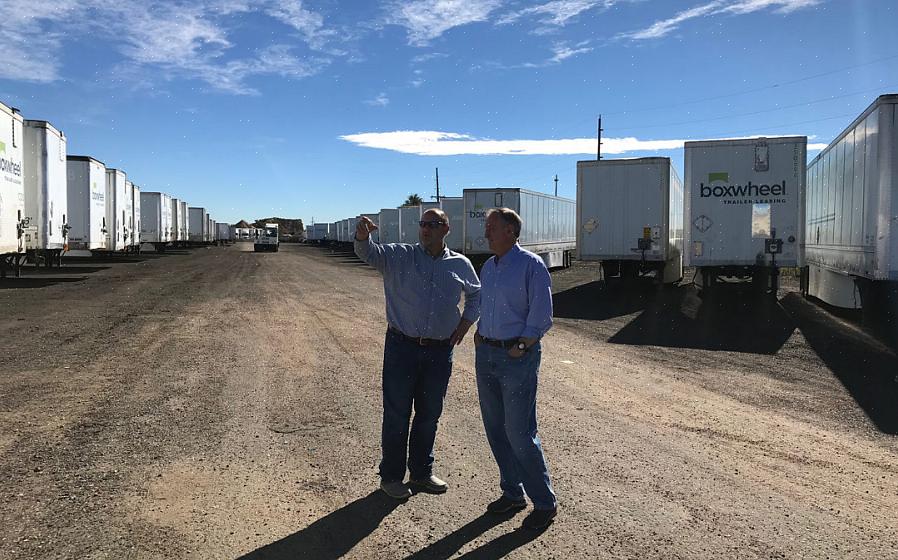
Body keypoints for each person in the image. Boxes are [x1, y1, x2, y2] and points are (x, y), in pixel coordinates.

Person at [354, 209, 481, 500]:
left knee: (429, 414)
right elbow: (368, 252)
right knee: (397, 414)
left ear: (446, 228)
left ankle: (422, 473)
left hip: (439, 352)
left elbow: (477, 294)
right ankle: (391, 477)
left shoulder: (460, 263)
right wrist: (362, 235)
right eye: (422, 224)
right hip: (402, 347)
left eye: (432, 224)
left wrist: (465, 324)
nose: (425, 229)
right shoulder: (399, 255)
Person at [474, 207, 557, 530]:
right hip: (488, 355)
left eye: (492, 227)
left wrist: (521, 346)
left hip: (516, 358)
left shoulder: (531, 266)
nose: (486, 233)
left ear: (510, 231)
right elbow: (488, 306)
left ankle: (545, 503)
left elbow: (542, 314)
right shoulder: (489, 268)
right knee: (495, 429)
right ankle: (512, 493)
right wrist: (481, 334)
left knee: (520, 433)